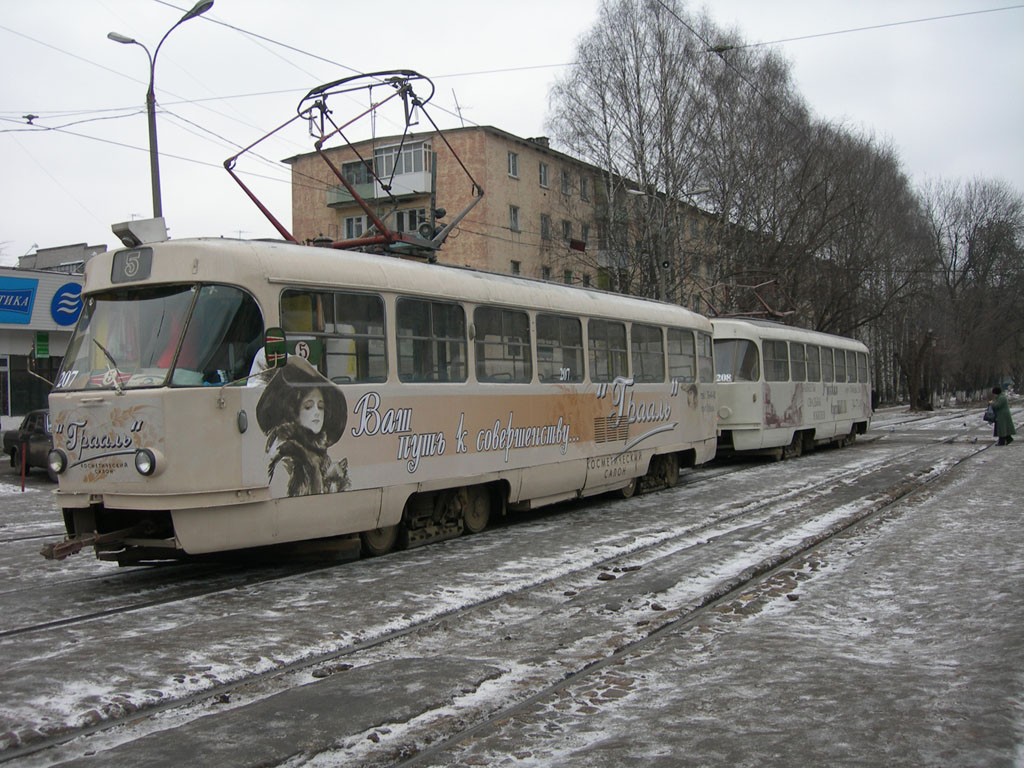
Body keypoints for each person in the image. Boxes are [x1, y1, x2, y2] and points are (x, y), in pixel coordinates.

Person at [255, 357, 350, 496]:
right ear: (295, 413)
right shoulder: (287, 460)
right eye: (308, 406)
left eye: (321, 407)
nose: (317, 413)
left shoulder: (321, 457)